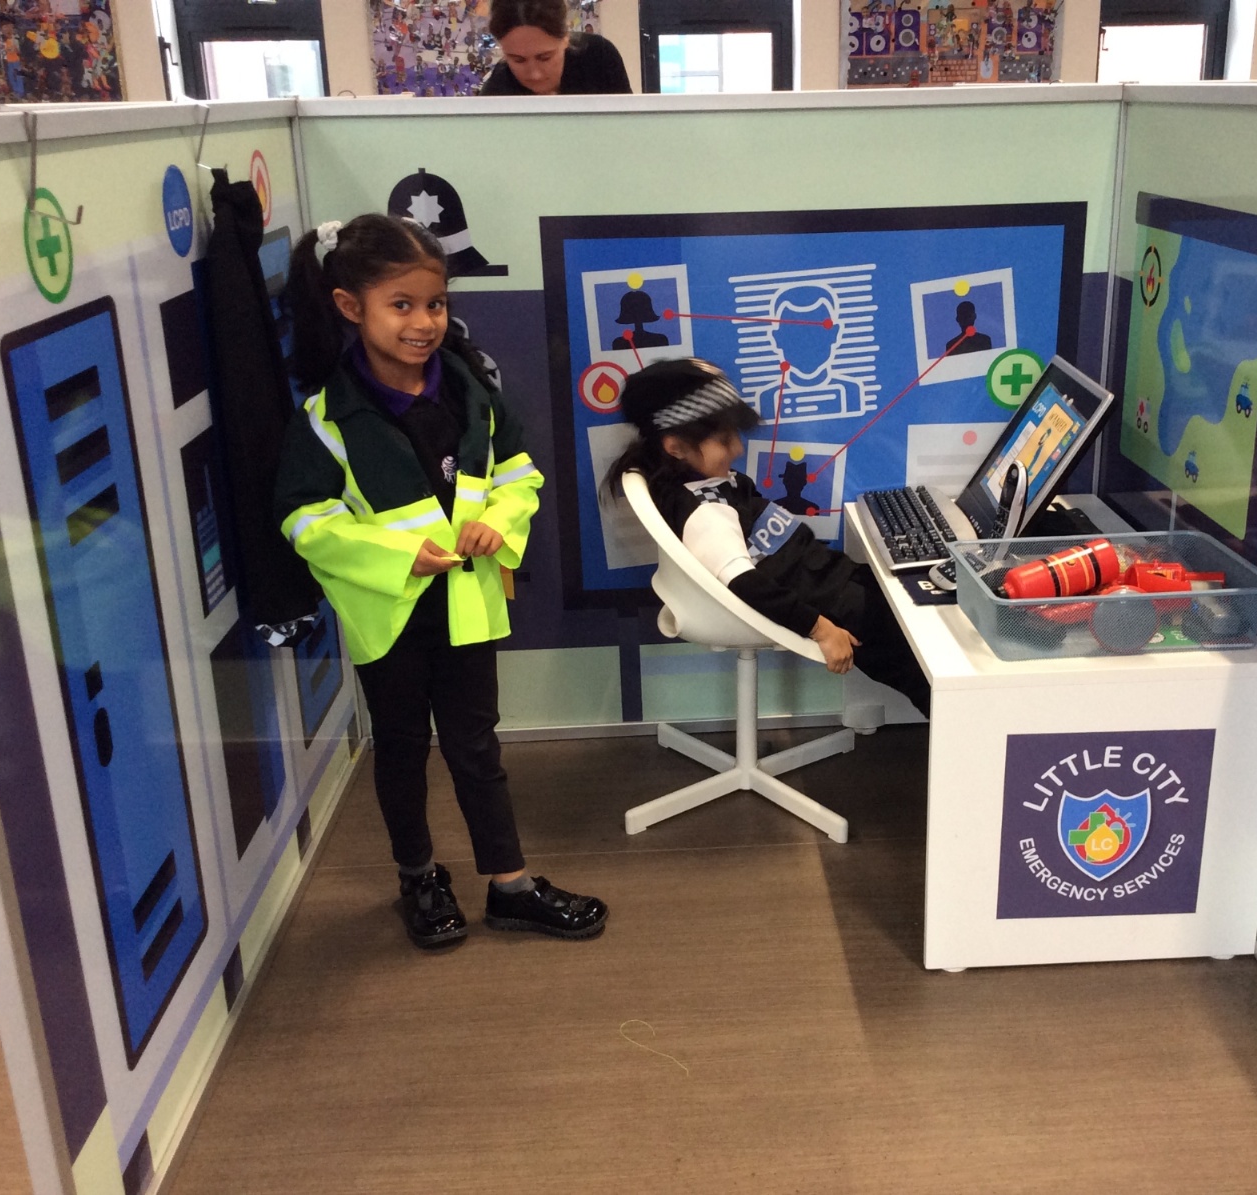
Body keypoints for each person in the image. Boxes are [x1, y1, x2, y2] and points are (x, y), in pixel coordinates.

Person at [274, 213, 607, 949]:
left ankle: (510, 885)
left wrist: (500, 525)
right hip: (389, 616)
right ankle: (419, 877)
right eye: (401, 305)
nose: (423, 322)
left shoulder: (471, 393)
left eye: (435, 304)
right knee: (400, 747)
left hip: (467, 604)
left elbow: (518, 475)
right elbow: (304, 520)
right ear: (350, 306)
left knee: (476, 745)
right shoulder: (328, 419)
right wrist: (399, 556)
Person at [603, 358, 931, 719]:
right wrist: (821, 630)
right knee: (928, 674)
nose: (737, 449)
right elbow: (746, 584)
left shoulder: (710, 483)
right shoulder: (705, 511)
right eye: (724, 440)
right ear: (676, 447)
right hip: (835, 607)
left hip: (832, 583)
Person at [479, 0, 631, 96]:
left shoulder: (599, 57)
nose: (535, 75)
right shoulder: (497, 91)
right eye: (518, 60)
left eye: (545, 58)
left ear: (565, 38)